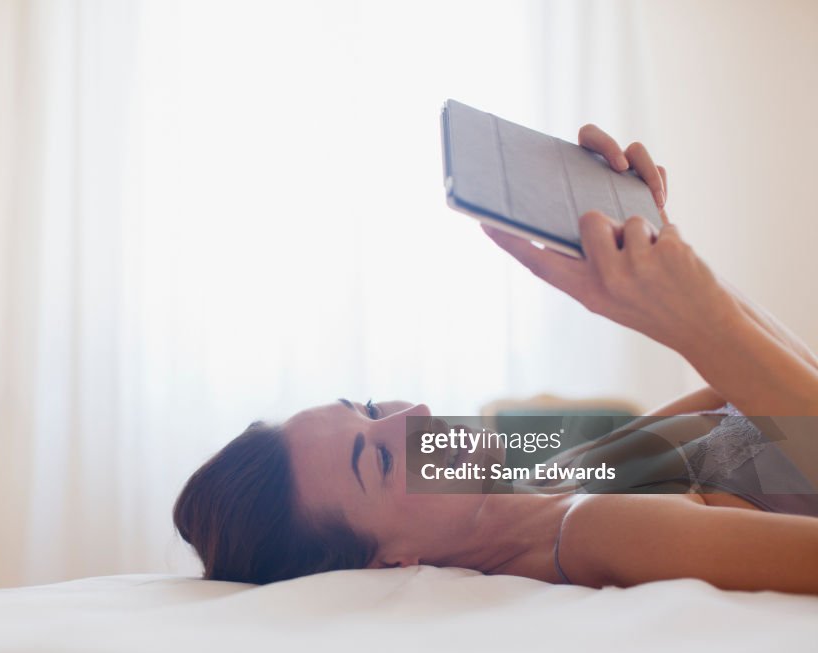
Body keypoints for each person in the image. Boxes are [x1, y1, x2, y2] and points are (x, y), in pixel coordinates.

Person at [173, 126, 818, 594]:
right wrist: (695, 316)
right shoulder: (597, 532)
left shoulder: (558, 477)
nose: (415, 415)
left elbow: (741, 392)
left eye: (370, 409)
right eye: (383, 457)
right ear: (388, 563)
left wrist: (662, 253)